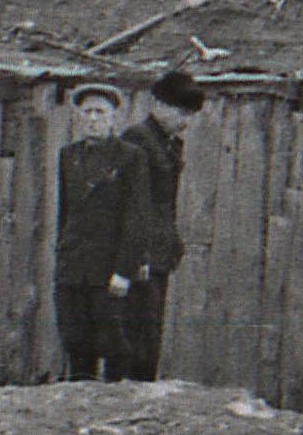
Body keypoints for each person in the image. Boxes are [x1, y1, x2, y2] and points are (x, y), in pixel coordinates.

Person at [109, 71, 200, 380]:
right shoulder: (137, 140)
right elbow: (130, 205)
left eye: (190, 114)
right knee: (134, 330)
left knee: (150, 331)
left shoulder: (169, 143)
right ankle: (124, 393)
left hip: (159, 251)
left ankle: (142, 392)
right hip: (141, 253)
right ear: (159, 105)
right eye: (182, 112)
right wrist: (138, 255)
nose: (186, 121)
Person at [54, 83, 134, 381]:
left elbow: (136, 217)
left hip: (109, 268)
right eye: (86, 112)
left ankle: (113, 402)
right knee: (76, 341)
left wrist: (124, 270)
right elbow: (66, 213)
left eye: (100, 112)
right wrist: (63, 254)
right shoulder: (68, 156)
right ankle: (79, 398)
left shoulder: (129, 157)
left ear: (113, 118)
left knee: (113, 342)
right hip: (73, 265)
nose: (93, 118)